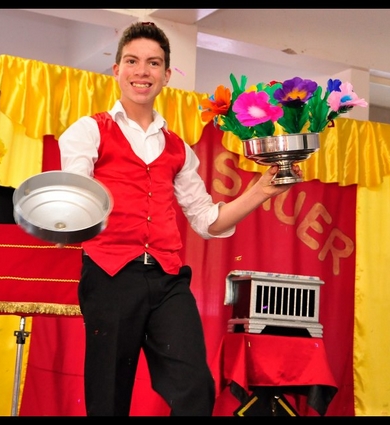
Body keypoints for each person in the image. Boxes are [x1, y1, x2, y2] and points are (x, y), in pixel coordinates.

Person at [57, 21, 301, 416]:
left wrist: (261, 190)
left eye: (153, 63)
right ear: (116, 69)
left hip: (167, 279)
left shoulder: (178, 149)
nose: (142, 71)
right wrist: (66, 219)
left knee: (195, 388)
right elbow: (76, 194)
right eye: (132, 61)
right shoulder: (89, 131)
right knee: (108, 397)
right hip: (110, 275)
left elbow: (207, 220)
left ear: (167, 75)